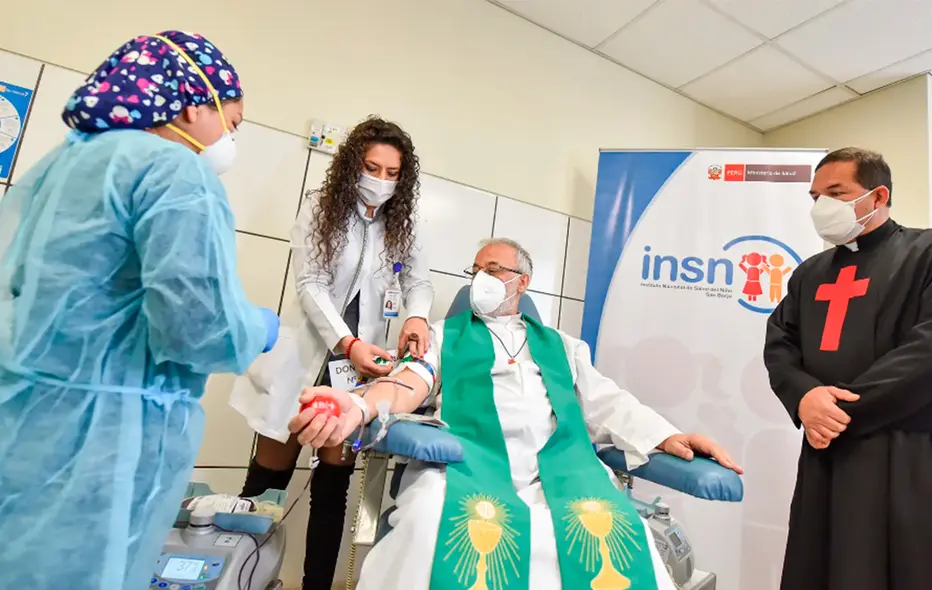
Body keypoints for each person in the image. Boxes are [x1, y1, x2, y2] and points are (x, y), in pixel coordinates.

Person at [286, 237, 742, 590]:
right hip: (469, 466)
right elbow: (408, 383)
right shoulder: (444, 335)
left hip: (559, 475)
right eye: (476, 269)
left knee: (625, 533)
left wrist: (666, 436)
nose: (479, 278)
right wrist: (360, 404)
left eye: (493, 269)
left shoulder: (563, 346)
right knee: (427, 528)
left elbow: (609, 401)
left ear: (522, 281)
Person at [0, 31, 278, 590]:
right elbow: (199, 329)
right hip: (101, 442)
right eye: (233, 121)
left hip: (22, 423)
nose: (229, 137)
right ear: (195, 103)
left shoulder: (58, 168)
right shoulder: (175, 172)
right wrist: (258, 327)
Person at [764, 147, 932, 590]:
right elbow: (780, 344)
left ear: (877, 196)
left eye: (836, 192)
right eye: (815, 196)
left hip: (916, 456)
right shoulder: (809, 275)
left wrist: (833, 412)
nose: (822, 206)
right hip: (830, 457)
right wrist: (803, 397)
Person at [229, 116, 432, 590]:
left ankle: (315, 584)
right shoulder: (321, 208)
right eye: (371, 167)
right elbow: (310, 283)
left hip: (351, 380)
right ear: (351, 165)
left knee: (331, 492)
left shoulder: (402, 227)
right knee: (265, 485)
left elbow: (418, 281)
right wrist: (349, 342)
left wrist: (417, 315)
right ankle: (240, 578)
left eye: (392, 172)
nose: (381, 180)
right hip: (305, 364)